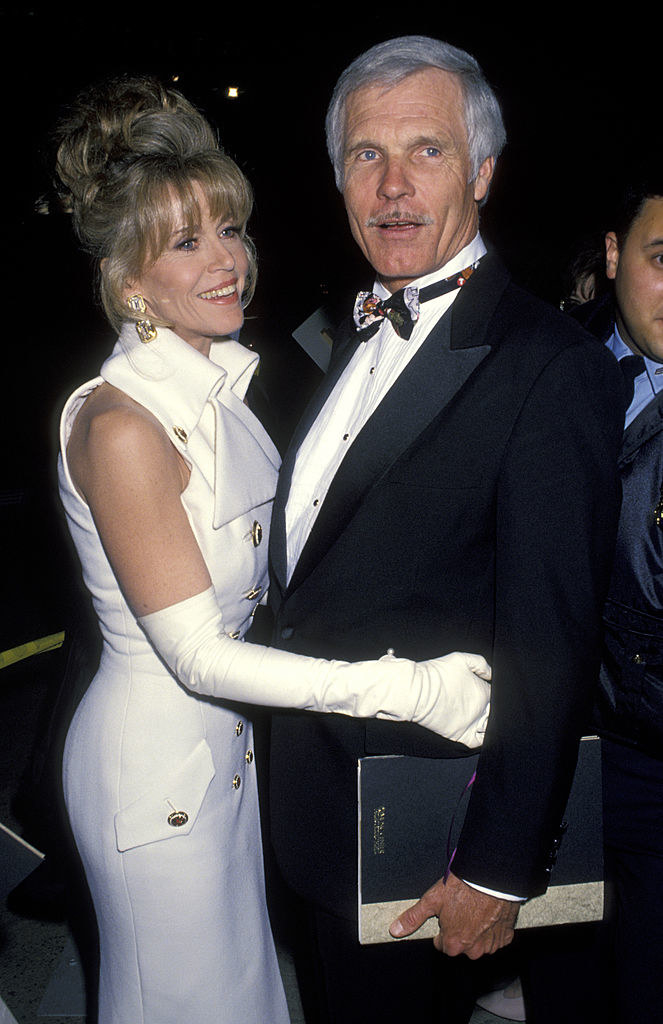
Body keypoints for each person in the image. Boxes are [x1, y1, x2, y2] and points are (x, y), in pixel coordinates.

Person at [53, 76, 494, 1024]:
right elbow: (198, 653)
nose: (228, 263)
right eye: (187, 242)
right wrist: (407, 687)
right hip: (156, 773)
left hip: (225, 757)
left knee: (246, 995)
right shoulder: (123, 427)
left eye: (232, 230)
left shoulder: (216, 395)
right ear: (130, 282)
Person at [266, 35, 625, 1023]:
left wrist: (503, 869)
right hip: (312, 807)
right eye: (364, 156)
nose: (390, 186)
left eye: (424, 150)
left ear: (483, 170)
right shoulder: (350, 333)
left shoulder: (550, 369)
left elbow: (549, 641)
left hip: (427, 836)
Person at [573, 170, 663, 1024]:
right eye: (662, 257)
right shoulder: (548, 376)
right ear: (612, 254)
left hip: (652, 758)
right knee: (566, 982)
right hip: (553, 756)